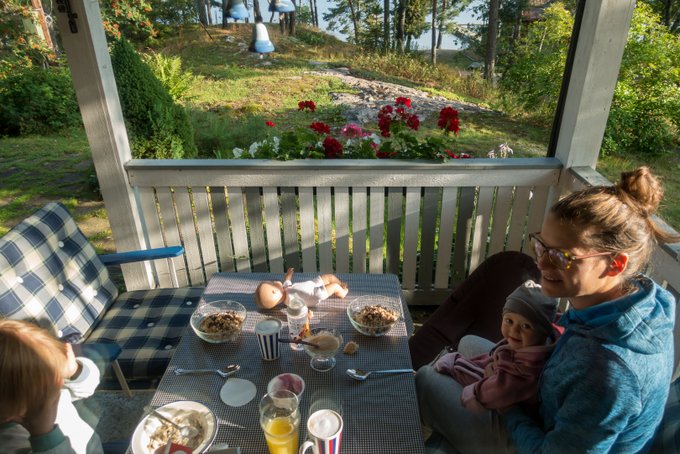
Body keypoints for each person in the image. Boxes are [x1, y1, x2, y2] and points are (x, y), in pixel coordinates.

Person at [416, 166, 677, 453]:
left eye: (562, 257)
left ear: (615, 264)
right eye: (543, 246)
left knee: (426, 380)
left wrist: (509, 406)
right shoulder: (633, 300)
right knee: (468, 344)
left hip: (537, 438)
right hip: (543, 403)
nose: (542, 265)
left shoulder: (610, 372)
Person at [432, 280, 559, 414]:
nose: (514, 331)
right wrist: (461, 363)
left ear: (543, 332)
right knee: (467, 341)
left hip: (508, 414)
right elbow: (491, 360)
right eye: (509, 321)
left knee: (425, 377)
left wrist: (455, 368)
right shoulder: (530, 346)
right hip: (498, 383)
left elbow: (488, 392)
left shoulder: (526, 369)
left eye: (525, 326)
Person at [0, 319, 104, 454]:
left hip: (93, 447)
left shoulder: (46, 390)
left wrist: (74, 372)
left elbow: (88, 387)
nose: (61, 384)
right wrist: (43, 435)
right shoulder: (8, 445)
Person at [255, 268, 348, 309]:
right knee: (334, 287)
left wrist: (288, 275)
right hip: (316, 294)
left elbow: (287, 281)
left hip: (313, 284)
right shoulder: (290, 302)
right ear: (274, 291)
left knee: (329, 277)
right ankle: (343, 292)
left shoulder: (285, 288)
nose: (274, 281)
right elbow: (299, 311)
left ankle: (340, 284)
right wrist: (307, 315)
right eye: (272, 283)